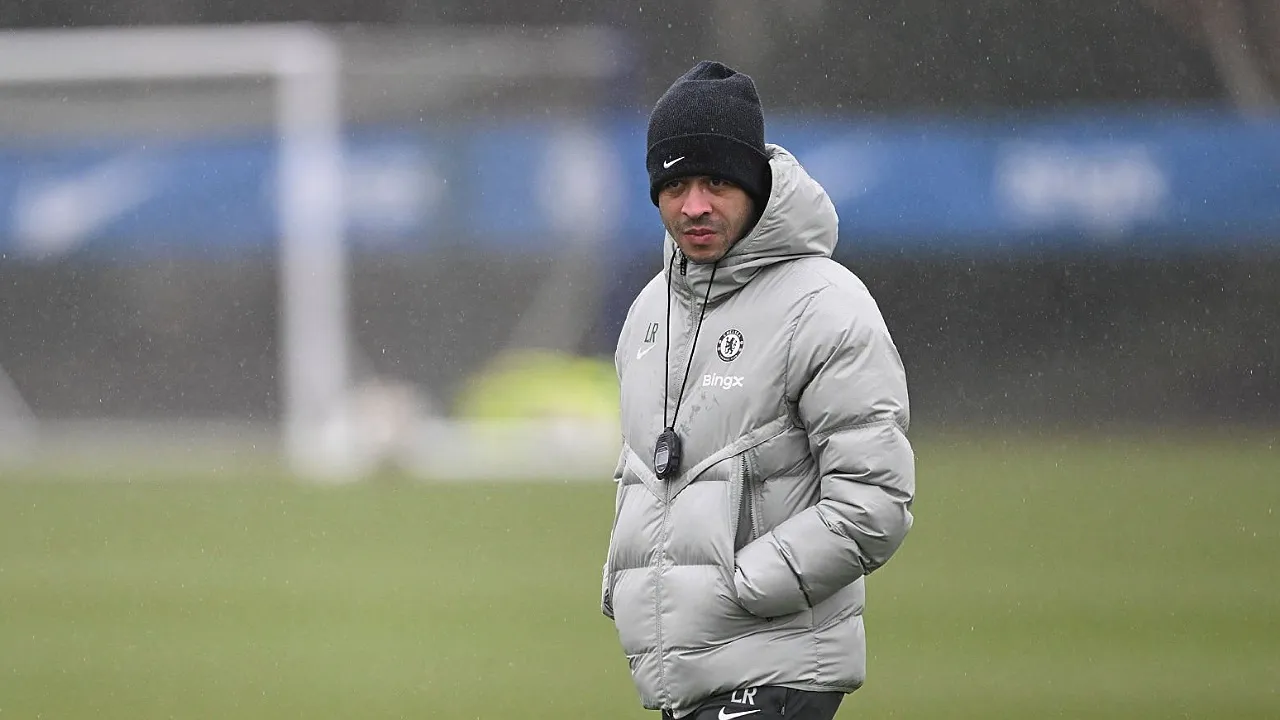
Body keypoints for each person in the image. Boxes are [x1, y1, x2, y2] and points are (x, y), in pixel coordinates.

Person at [600, 60, 916, 720]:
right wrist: (628, 590)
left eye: (716, 181)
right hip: (683, 680)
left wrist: (738, 587)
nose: (694, 205)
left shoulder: (826, 307)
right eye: (675, 183)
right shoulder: (648, 313)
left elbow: (874, 505)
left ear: (755, 183)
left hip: (777, 677)